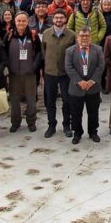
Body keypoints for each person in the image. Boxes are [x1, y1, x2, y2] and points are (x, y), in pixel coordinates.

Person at [64, 28, 105, 143]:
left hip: (93, 87)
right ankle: (77, 133)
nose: (84, 38)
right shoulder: (70, 51)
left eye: (87, 36)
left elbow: (101, 66)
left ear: (91, 37)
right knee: (76, 113)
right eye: (82, 36)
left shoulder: (98, 50)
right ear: (77, 37)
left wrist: (92, 81)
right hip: (76, 87)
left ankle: (93, 132)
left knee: (93, 112)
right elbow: (69, 67)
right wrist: (80, 81)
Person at [42, 10, 77, 138]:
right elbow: (43, 51)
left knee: (67, 101)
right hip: (50, 72)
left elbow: (75, 53)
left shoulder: (72, 35)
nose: (58, 20)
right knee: (50, 101)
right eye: (56, 17)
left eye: (61, 17)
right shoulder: (46, 33)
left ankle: (67, 125)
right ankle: (51, 125)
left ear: (65, 19)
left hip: (65, 73)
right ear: (53, 19)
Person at [6, 12, 43, 132]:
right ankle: (15, 122)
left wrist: (34, 67)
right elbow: (3, 52)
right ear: (15, 22)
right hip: (14, 74)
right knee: (14, 99)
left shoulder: (33, 35)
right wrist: (8, 67)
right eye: (19, 21)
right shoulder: (9, 35)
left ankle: (31, 122)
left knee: (31, 99)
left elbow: (39, 52)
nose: (21, 23)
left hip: (30, 74)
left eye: (23, 21)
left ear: (28, 22)